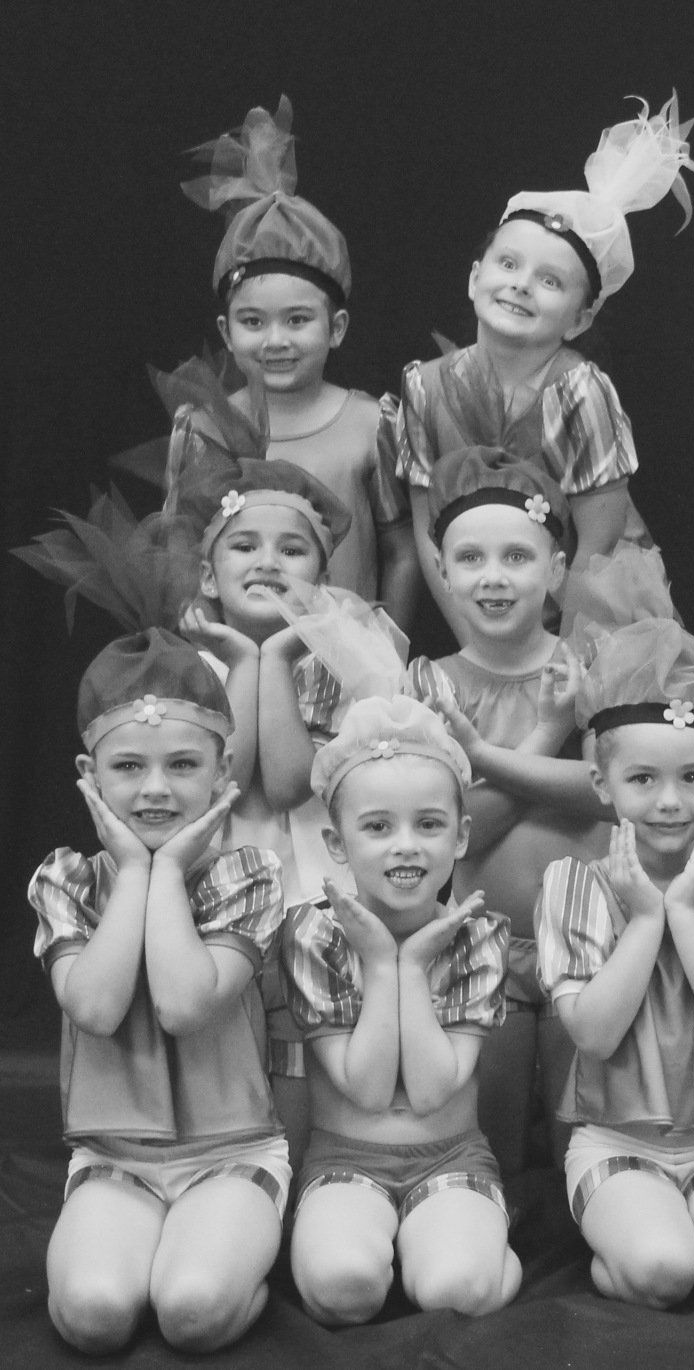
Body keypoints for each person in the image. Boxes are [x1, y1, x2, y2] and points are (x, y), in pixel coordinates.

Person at [18, 500, 280, 1354]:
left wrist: (165, 872)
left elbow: (183, 1005)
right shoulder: (67, 877)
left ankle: (239, 1258)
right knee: (93, 1316)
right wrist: (132, 872)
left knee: (192, 1312)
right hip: (115, 1159)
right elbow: (96, 1008)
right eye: (128, 767)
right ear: (89, 774)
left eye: (183, 765)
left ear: (223, 773)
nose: (156, 789)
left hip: (230, 1152)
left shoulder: (247, 875)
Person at [390, 96, 694, 640]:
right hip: (483, 609)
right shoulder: (424, 387)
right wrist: (477, 643)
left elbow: (598, 545)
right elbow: (429, 535)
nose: (521, 284)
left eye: (550, 281)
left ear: (581, 318)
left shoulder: (578, 393)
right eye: (508, 263)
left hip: (589, 615)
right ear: (474, 278)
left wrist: (550, 654)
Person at [537, 615, 694, 1307]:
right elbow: (594, 1035)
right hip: (619, 1141)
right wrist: (646, 920)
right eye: (643, 779)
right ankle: (629, 1251)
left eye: (693, 777)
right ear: (602, 782)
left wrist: (683, 912)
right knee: (664, 1271)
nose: (671, 801)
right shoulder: (574, 885)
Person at [164, 367, 357, 1170]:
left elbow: (283, 781)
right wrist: (243, 659)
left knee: (300, 1041)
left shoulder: (340, 666)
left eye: (292, 549)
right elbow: (226, 778)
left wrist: (272, 656)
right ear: (209, 574)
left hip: (310, 876)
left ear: (322, 577)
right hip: (218, 873)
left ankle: (302, 1182)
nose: (267, 561)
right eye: (244, 546)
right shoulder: (185, 667)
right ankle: (231, 1170)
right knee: (230, 1032)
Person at [406, 446, 611, 1177]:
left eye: (517, 557)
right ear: (443, 572)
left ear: (556, 570)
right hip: (479, 941)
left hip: (588, 942)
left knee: (579, 1134)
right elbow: (451, 834)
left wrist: (485, 759)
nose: (493, 576)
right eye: (470, 558)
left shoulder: (593, 664)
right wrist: (549, 736)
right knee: (488, 1136)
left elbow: (611, 791)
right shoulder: (427, 685)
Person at [283, 695, 521, 1324]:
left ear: (461, 836)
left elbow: (431, 1090)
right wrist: (383, 964)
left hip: (449, 1153)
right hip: (345, 1156)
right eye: (378, 827)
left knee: (456, 1291)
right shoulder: (313, 934)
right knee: (342, 1288)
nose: (406, 847)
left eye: (430, 824)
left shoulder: (478, 935)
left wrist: (410, 968)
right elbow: (364, 1089)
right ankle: (369, 1243)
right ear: (336, 842)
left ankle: (479, 1243)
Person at [166, 97, 417, 618]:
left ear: (336, 328)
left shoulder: (371, 424)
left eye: (297, 320)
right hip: (233, 655)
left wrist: (386, 647)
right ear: (226, 332)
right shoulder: (201, 429)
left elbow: (401, 551)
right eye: (253, 322)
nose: (275, 340)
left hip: (346, 658)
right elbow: (180, 555)